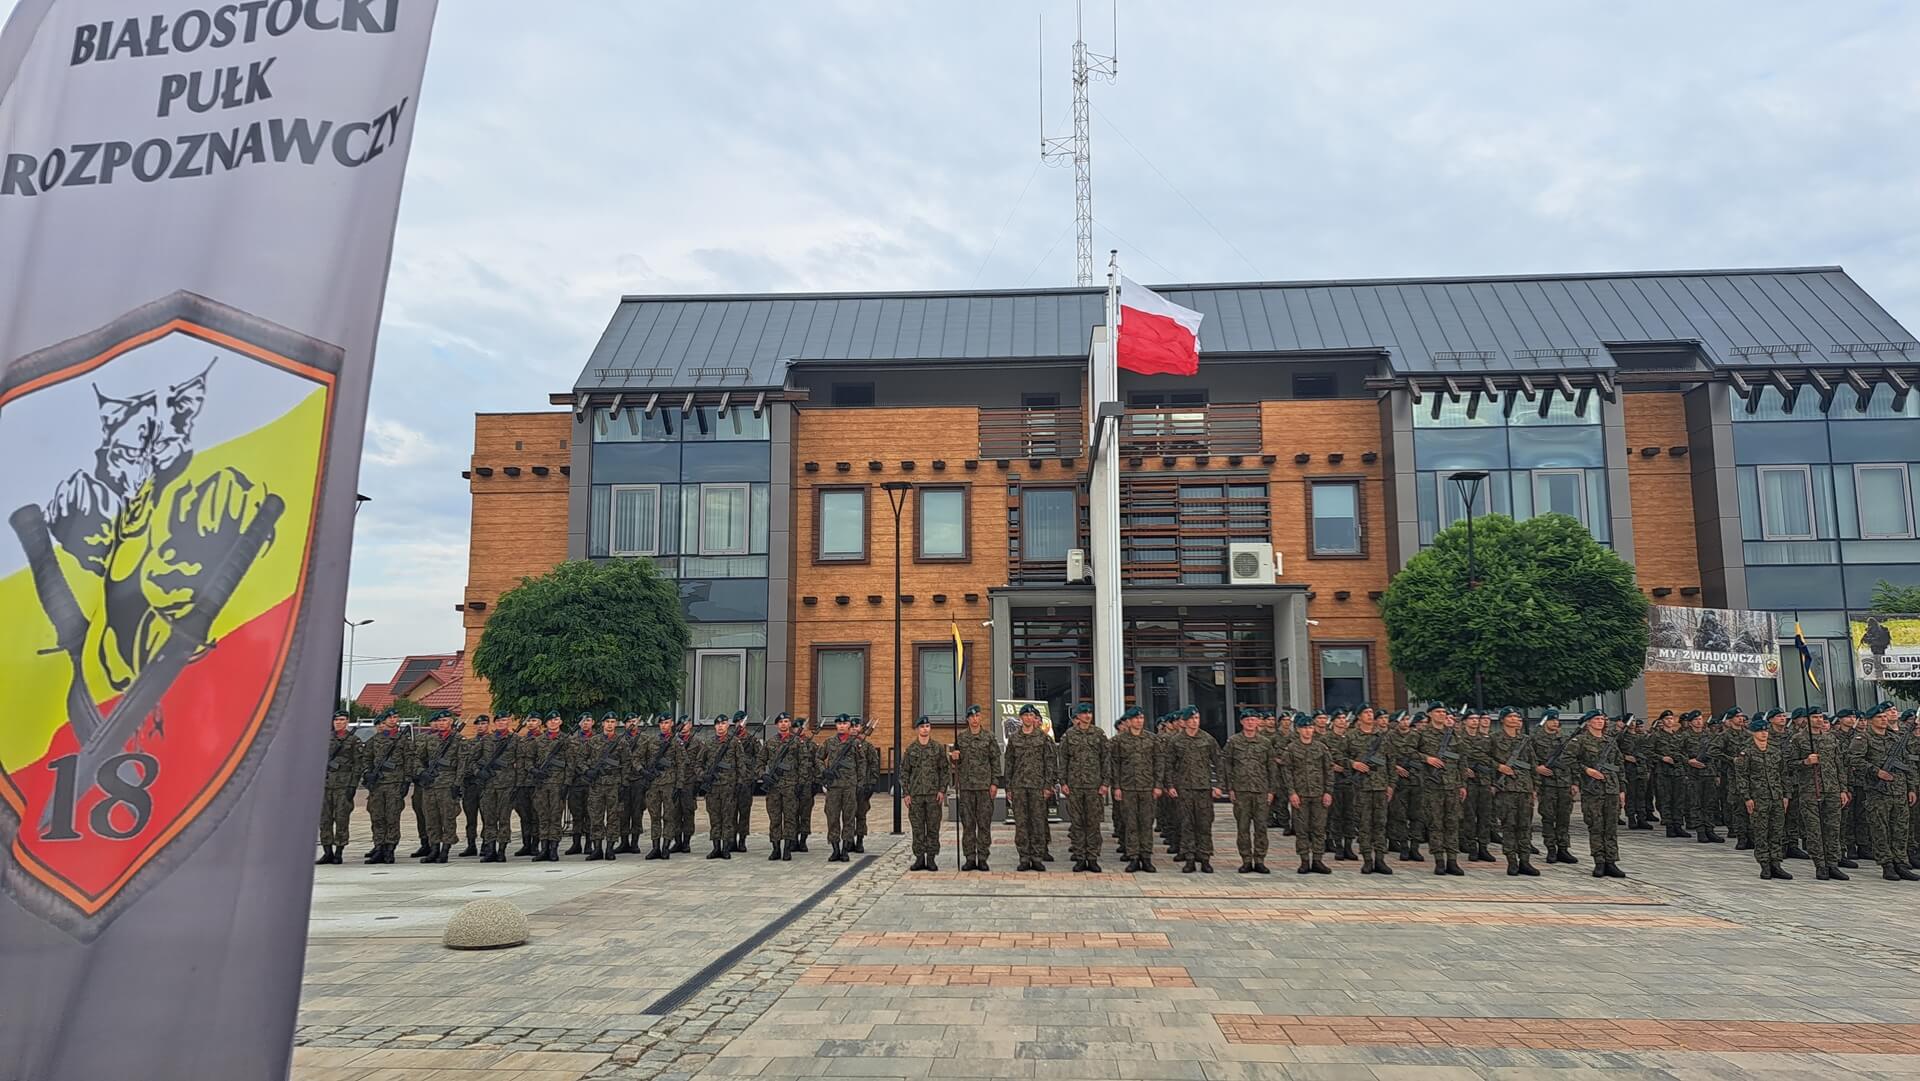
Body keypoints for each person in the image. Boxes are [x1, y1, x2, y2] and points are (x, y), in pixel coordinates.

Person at [1851, 702, 1918, 881]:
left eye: (1884, 716)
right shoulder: (1863, 738)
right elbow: (1853, 760)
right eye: (1879, 717)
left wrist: (1911, 788)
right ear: (1871, 720)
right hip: (1878, 792)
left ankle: (1900, 863)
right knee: (1880, 829)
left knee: (1901, 829)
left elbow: (1908, 764)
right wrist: (1876, 771)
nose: (1883, 719)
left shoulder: (1895, 738)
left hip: (1900, 790)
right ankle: (1887, 864)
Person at [1563, 709, 1624, 878]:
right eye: (1596, 719)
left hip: (1611, 789)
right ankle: (1599, 861)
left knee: (1610, 827)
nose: (1600, 721)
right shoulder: (1580, 741)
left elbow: (1619, 766)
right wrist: (1586, 770)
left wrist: (1622, 790)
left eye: (1602, 719)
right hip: (1593, 791)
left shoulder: (1610, 742)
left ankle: (1611, 861)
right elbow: (1567, 760)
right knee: (1596, 826)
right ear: (1588, 722)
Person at [1163, 707, 1221, 874]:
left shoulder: (1207, 739)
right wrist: (1170, 786)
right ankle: (1189, 858)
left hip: (1203, 789)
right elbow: (1169, 765)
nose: (1195, 721)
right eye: (1192, 718)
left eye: (1197, 717)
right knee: (1186, 824)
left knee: (1204, 824)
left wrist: (1219, 785)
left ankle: (1205, 858)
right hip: (1184, 789)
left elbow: (1218, 762)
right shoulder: (1176, 741)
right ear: (1185, 721)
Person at [1002, 705, 1058, 872]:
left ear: (1035, 719)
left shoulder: (1043, 738)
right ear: (1020, 719)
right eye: (1025, 715)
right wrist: (1008, 787)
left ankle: (1037, 857)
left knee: (1038, 822)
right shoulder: (1014, 739)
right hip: (1019, 786)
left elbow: (1050, 763)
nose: (1028, 718)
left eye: (1031, 715)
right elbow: (1009, 763)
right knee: (1021, 823)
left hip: (1037, 787)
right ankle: (1024, 857)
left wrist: (1049, 785)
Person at [1736, 712, 1792, 880]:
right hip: (1758, 798)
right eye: (1760, 731)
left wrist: (1786, 795)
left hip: (1776, 796)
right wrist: (1747, 797)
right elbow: (1742, 777)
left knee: (1776, 831)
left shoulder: (1775, 751)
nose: (1764, 733)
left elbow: (1783, 774)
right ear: (1753, 732)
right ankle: (1764, 864)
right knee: (1761, 832)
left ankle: (1776, 863)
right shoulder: (1746, 752)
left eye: (1765, 730)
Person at [1057, 703, 1111, 872]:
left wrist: (1105, 783)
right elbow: (1063, 761)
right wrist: (1063, 782)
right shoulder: (1069, 736)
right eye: (1084, 713)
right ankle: (1080, 857)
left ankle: (1093, 857)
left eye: (1089, 713)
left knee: (1093, 823)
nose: (1088, 716)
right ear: (1077, 717)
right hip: (1075, 786)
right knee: (1078, 823)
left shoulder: (1099, 734)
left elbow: (1106, 760)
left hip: (1094, 786)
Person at [1416, 704, 1468, 876]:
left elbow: (1462, 760)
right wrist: (1426, 758)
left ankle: (1452, 860)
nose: (1441, 715)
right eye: (1438, 712)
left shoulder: (1453, 734)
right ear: (1430, 714)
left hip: (1452, 785)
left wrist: (1462, 784)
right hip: (1433, 786)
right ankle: (1439, 860)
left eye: (1444, 712)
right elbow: (1406, 752)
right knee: (1435, 823)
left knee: (1452, 823)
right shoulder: (1422, 734)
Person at [1341, 706, 1394, 875]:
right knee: (1364, 824)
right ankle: (1367, 859)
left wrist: (1391, 784)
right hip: (1361, 787)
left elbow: (1391, 762)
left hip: (1380, 786)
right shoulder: (1350, 736)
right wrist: (1353, 764)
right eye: (1366, 713)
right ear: (1359, 717)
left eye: (1371, 713)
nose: (1370, 716)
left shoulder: (1383, 737)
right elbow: (1338, 756)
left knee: (1380, 823)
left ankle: (1380, 859)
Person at [1223, 710, 1277, 874]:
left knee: (1261, 827)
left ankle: (1260, 859)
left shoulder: (1265, 743)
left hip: (1261, 790)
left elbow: (1271, 768)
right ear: (1242, 722)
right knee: (1243, 827)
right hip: (1241, 791)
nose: (1250, 723)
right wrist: (1230, 788)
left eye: (1253, 720)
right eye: (1247, 720)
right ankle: (1246, 859)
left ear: (1257, 722)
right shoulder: (1233, 742)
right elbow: (1227, 766)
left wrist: (1271, 790)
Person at [1278, 714, 1332, 875]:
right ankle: (1304, 861)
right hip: (1300, 795)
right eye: (1304, 728)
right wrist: (1291, 792)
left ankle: (1317, 860)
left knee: (1319, 829)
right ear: (1299, 730)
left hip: (1319, 794)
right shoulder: (1292, 749)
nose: (1308, 731)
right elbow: (1286, 772)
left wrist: (1328, 791)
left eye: (1310, 728)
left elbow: (1328, 770)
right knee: (1302, 829)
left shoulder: (1321, 748)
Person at [1488, 708, 1539, 876]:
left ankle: (1525, 861)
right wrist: (1498, 767)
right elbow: (1482, 758)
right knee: (1509, 825)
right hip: (1506, 789)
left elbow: (1533, 764)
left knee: (1525, 826)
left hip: (1524, 788)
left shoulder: (1525, 740)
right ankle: (1511, 861)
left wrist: (1534, 787)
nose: (1515, 719)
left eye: (1517, 716)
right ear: (1502, 720)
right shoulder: (1494, 739)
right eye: (1510, 716)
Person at [951, 705, 1000, 871]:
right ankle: (970, 857)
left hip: (984, 787)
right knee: (968, 824)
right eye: (971, 717)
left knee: (984, 824)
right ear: (967, 719)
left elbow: (995, 761)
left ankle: (983, 857)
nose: (974, 719)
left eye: (977, 716)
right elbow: (956, 763)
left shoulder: (989, 737)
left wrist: (994, 783)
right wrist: (954, 758)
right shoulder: (961, 738)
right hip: (966, 787)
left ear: (981, 718)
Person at [1109, 707, 1158, 873]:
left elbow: (1159, 764)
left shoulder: (1152, 739)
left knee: (1146, 823)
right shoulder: (1119, 741)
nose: (1139, 721)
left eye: (1141, 718)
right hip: (1127, 787)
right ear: (1128, 721)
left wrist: (1158, 785)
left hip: (1147, 787)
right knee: (1130, 823)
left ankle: (1146, 856)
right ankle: (1133, 856)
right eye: (1136, 718)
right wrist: (1116, 786)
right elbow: (1115, 765)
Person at [412, 710, 462, 864]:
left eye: (445, 720)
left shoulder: (459, 740)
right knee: (431, 818)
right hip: (430, 784)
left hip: (447, 784)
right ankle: (434, 849)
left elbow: (462, 764)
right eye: (439, 721)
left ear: (451, 722)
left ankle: (445, 850)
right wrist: (421, 772)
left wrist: (457, 784)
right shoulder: (429, 740)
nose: (441, 723)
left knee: (447, 818)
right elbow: (416, 759)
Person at [902, 717, 952, 871]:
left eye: (927, 726)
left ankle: (931, 858)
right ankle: (919, 858)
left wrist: (942, 790)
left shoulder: (937, 748)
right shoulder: (911, 750)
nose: (925, 729)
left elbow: (945, 770)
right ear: (917, 729)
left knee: (932, 827)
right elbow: (904, 772)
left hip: (933, 795)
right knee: (917, 828)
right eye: (922, 726)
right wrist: (906, 793)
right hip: (916, 795)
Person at [818, 714, 869, 863]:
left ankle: (846, 849)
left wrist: (860, 783)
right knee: (832, 817)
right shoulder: (829, 742)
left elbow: (861, 763)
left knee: (849, 818)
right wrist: (824, 771)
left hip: (849, 787)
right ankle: (835, 849)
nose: (841, 726)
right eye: (839, 723)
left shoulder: (855, 743)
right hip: (833, 786)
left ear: (849, 726)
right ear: (836, 726)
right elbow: (818, 758)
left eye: (845, 723)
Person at [360, 709, 408, 864]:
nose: (394, 720)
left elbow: (409, 761)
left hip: (394, 783)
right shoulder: (374, 741)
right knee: (377, 817)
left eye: (396, 717)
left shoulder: (403, 740)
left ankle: (390, 849)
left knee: (392, 817)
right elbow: (366, 759)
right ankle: (379, 847)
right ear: (384, 720)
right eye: (391, 718)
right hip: (378, 785)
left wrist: (406, 781)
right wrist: (368, 773)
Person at [696, 715, 746, 860]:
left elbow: (741, 765)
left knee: (728, 818)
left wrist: (740, 783)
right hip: (712, 788)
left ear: (728, 726)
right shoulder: (709, 744)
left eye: (723, 724)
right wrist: (703, 776)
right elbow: (698, 764)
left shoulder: (735, 743)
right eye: (717, 724)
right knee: (714, 818)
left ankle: (726, 847)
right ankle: (716, 847)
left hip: (728, 787)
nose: (720, 726)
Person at [760, 712, 809, 860]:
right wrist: (763, 775)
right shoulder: (770, 742)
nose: (783, 724)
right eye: (780, 722)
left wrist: (801, 782)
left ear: (789, 724)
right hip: (773, 787)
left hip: (790, 786)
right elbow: (760, 762)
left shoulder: (797, 742)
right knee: (774, 818)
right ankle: (775, 848)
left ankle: (787, 848)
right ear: (777, 725)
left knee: (790, 818)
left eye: (786, 721)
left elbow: (804, 763)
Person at [523, 711, 571, 862]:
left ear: (560, 722)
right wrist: (534, 771)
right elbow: (528, 761)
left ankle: (553, 849)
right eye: (550, 720)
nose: (553, 722)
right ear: (546, 723)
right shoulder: (538, 741)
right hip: (542, 785)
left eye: (556, 719)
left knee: (555, 817)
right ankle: (544, 848)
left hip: (558, 784)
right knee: (543, 816)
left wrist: (567, 783)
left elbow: (571, 764)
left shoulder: (566, 740)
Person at [1531, 710, 1576, 864]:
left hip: (1564, 783)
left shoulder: (1565, 739)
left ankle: (1563, 848)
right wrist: (1537, 768)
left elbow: (1572, 762)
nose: (1555, 723)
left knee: (1564, 818)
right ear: (1545, 721)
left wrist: (1574, 782)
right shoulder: (1535, 739)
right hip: (1546, 784)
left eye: (1557, 720)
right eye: (1552, 720)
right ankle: (1551, 849)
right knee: (1548, 817)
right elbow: (1528, 758)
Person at [317, 711, 360, 865]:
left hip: (343, 785)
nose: (338, 722)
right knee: (325, 820)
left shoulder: (353, 740)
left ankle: (339, 852)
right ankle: (327, 851)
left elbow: (357, 765)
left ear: (347, 721)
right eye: (336, 720)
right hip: (326, 785)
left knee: (342, 819)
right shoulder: (325, 739)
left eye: (342, 720)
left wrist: (353, 785)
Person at [638, 716, 681, 860]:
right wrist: (643, 771)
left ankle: (666, 847)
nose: (664, 726)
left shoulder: (676, 742)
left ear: (672, 724)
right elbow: (635, 758)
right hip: (653, 785)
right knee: (654, 817)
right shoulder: (650, 741)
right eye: (662, 723)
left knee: (669, 817)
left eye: (667, 723)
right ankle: (655, 847)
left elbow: (682, 765)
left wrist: (679, 786)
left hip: (669, 784)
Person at [1460, 708, 1496, 861]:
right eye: (1471, 718)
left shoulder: (1487, 738)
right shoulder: (1458, 738)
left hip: (1484, 781)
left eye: (1476, 718)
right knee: (1469, 816)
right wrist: (1463, 769)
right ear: (1465, 721)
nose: (1475, 721)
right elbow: (1453, 758)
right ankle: (1471, 847)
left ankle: (1483, 847)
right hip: (1468, 783)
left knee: (1485, 816)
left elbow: (1493, 760)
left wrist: (1494, 783)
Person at [456, 714, 489, 857]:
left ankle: (486, 844)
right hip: (469, 786)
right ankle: (471, 844)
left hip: (484, 785)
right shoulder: (468, 743)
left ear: (488, 725)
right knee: (470, 818)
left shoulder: (492, 742)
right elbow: (463, 762)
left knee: (487, 817)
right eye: (478, 724)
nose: (481, 726)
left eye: (484, 723)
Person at [564, 712, 594, 855]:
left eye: (588, 720)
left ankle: (589, 843)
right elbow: (568, 761)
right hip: (575, 782)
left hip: (590, 782)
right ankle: (576, 843)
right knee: (576, 814)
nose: (585, 723)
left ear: (593, 722)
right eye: (583, 721)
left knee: (590, 814)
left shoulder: (597, 739)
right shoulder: (571, 740)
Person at [511, 713, 541, 856]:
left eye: (534, 721)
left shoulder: (542, 740)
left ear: (540, 723)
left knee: (536, 815)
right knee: (524, 816)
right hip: (521, 783)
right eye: (528, 721)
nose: (530, 723)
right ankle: (526, 844)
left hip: (535, 783)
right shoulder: (521, 741)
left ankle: (535, 844)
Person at [854, 719, 881, 852]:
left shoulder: (867, 746)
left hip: (863, 785)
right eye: (852, 726)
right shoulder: (846, 745)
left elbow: (874, 765)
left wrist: (872, 784)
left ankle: (859, 840)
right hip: (849, 785)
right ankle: (848, 841)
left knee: (861, 814)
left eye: (857, 726)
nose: (854, 728)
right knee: (848, 815)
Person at [795, 716, 820, 852]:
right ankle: (792, 839)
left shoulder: (811, 744)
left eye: (801, 726)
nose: (799, 729)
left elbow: (817, 763)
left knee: (805, 813)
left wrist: (817, 781)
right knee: (791, 813)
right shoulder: (790, 743)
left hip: (807, 784)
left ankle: (803, 840)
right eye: (796, 727)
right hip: (792, 783)